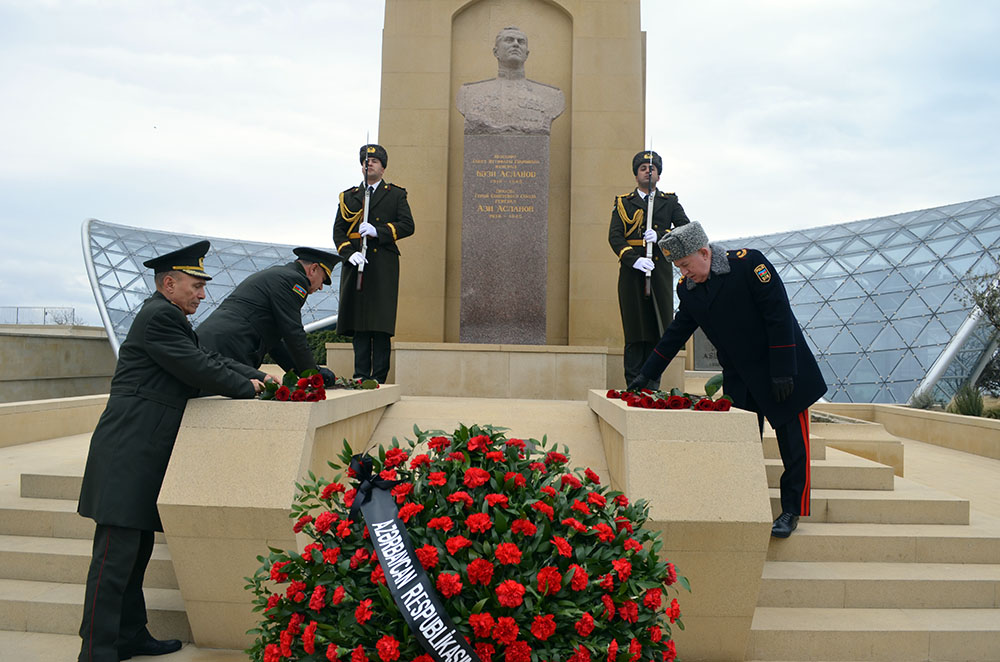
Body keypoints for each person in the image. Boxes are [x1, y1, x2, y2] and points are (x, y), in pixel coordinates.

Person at [77, 241, 267, 662]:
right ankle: (96, 650)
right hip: (128, 450)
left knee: (135, 554)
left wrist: (258, 376)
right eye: (196, 285)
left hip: (143, 450)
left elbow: (205, 356)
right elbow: (197, 368)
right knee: (113, 560)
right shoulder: (160, 318)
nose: (202, 294)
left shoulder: (167, 317)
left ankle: (128, 635)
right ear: (169, 283)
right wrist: (246, 387)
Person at [627, 222, 828, 538]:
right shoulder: (689, 290)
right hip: (741, 377)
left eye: (685, 265)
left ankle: (791, 510)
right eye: (678, 268)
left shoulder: (749, 265)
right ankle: (748, 505)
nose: (683, 273)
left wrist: (784, 371)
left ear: (704, 253)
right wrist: (647, 373)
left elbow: (778, 315)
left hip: (783, 370)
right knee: (744, 444)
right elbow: (676, 332)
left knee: (794, 446)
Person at [333, 144, 415, 383]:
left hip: (382, 265)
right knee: (359, 324)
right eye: (365, 161)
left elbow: (408, 226)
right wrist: (349, 253)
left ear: (383, 166)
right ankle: (360, 376)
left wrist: (378, 231)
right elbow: (338, 232)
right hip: (356, 263)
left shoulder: (396, 194)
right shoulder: (349, 197)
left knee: (379, 324)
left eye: (374, 161)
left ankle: (378, 378)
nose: (368, 164)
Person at [197, 246, 340, 382]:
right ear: (313, 269)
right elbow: (293, 332)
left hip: (217, 341)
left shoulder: (278, 274)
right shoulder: (294, 280)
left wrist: (305, 372)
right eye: (323, 279)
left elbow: (276, 343)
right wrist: (313, 376)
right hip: (231, 346)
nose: (321, 287)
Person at [609, 150, 690, 388]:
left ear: (659, 175)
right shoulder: (623, 202)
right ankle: (633, 384)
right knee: (635, 330)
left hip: (659, 273)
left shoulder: (669, 201)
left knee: (657, 329)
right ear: (636, 174)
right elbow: (615, 236)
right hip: (632, 273)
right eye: (643, 168)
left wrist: (663, 235)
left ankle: (652, 384)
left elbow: (685, 228)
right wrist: (633, 259)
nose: (648, 171)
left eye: (652, 168)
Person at [455, 25, 565, 135]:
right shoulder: (468, 93)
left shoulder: (551, 95)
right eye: (509, 40)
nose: (516, 44)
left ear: (526, 54)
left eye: (521, 42)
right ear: (495, 52)